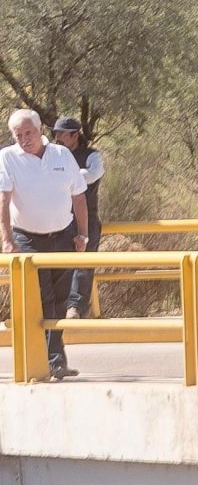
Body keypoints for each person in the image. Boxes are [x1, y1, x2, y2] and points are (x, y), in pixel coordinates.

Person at [1, 108, 90, 378]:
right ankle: (50, 361)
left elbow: (79, 197)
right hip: (27, 238)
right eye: (19, 135)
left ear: (40, 130)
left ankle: (56, 359)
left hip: (62, 235)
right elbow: (3, 201)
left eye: (28, 132)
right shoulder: (7, 158)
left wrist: (82, 234)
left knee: (60, 298)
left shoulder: (62, 154)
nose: (24, 139)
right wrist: (6, 239)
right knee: (42, 297)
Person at [55, 116, 104, 320]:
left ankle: (75, 306)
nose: (56, 137)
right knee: (60, 264)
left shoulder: (92, 156)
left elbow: (93, 174)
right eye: (55, 133)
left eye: (61, 134)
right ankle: (60, 305)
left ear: (75, 135)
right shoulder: (55, 156)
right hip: (60, 218)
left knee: (83, 264)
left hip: (87, 217)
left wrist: (65, 174)